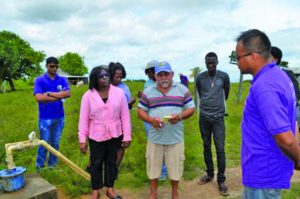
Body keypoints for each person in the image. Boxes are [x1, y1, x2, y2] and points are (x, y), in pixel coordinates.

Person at [235, 29, 300, 199]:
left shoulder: (265, 86)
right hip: (266, 171)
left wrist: (298, 159)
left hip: (263, 174)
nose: (237, 62)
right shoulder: (279, 76)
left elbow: (284, 137)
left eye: (238, 57)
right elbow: (293, 122)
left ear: (253, 56)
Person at [137, 61, 195, 199]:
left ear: (172, 74)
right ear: (155, 77)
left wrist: (180, 116)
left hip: (175, 138)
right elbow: (140, 111)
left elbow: (191, 108)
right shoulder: (148, 91)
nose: (163, 77)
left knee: (175, 168)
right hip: (155, 138)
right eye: (160, 75)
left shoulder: (181, 89)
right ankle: (153, 193)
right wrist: (151, 120)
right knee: (153, 168)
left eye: (166, 74)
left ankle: (174, 194)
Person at [78, 66, 131, 199]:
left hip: (115, 133)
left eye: (107, 75)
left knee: (112, 162)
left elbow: (125, 116)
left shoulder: (119, 93)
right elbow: (83, 120)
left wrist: (127, 136)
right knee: (96, 163)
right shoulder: (88, 96)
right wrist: (82, 140)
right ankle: (95, 190)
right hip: (96, 135)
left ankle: (110, 189)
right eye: (101, 76)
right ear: (95, 79)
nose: (105, 78)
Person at [195, 52, 230, 196]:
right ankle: (209, 174)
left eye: (213, 63)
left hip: (218, 118)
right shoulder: (200, 78)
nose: (210, 65)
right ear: (205, 62)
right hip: (204, 118)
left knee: (220, 149)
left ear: (217, 62)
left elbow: (226, 93)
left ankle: (221, 180)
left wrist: (218, 107)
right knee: (206, 146)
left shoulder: (224, 76)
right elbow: (200, 92)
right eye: (208, 63)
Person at [34, 56, 71, 170]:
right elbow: (39, 98)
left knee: (55, 143)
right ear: (46, 66)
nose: (54, 68)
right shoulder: (39, 80)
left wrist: (49, 94)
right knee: (44, 143)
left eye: (56, 66)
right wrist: (59, 96)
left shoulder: (61, 79)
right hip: (45, 118)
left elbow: (68, 94)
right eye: (52, 66)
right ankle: (39, 168)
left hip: (59, 116)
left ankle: (52, 167)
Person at [137, 60, 168, 180]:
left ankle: (164, 169)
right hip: (149, 118)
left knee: (165, 143)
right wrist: (142, 97)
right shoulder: (147, 83)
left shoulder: (165, 83)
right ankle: (156, 169)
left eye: (152, 71)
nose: (150, 73)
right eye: (148, 71)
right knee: (154, 144)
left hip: (163, 117)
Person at [271, 46, 300, 127]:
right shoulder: (262, 75)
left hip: (289, 108)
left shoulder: (287, 73)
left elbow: (296, 91)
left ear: (275, 59)